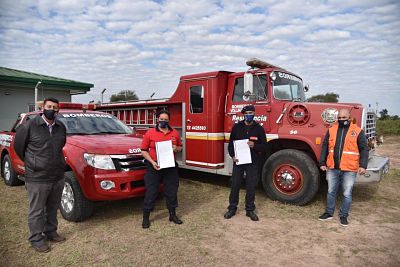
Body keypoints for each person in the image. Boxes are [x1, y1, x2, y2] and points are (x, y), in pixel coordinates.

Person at [14, 97, 67, 253]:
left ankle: (51, 232)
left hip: (56, 175)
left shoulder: (60, 127)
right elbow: (19, 147)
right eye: (49, 106)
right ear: (43, 108)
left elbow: (60, 146)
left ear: (58, 110)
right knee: (36, 210)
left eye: (55, 107)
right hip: (37, 177)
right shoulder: (29, 126)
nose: (52, 109)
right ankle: (37, 239)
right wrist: (34, 163)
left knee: (52, 207)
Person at [318, 108, 369, 226]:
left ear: (349, 117)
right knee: (331, 191)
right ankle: (329, 213)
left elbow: (364, 149)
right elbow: (325, 147)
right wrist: (322, 163)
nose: (341, 120)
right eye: (339, 118)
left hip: (349, 169)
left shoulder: (357, 131)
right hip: (332, 168)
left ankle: (343, 216)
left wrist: (363, 165)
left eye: (344, 118)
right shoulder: (331, 130)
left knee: (347, 193)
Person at [140, 110, 183, 228]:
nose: (163, 121)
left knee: (171, 190)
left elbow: (180, 147)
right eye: (161, 119)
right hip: (154, 166)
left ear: (169, 120)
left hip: (170, 166)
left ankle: (172, 214)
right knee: (152, 191)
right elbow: (143, 150)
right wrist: (152, 162)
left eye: (166, 119)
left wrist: (176, 148)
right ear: (157, 119)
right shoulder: (150, 133)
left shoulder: (174, 133)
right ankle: (146, 217)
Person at [224, 105, 267, 221]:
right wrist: (233, 156)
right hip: (238, 162)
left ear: (254, 114)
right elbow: (231, 145)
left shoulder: (259, 129)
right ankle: (232, 208)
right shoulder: (237, 127)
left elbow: (265, 147)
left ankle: (250, 210)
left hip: (252, 162)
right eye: (247, 113)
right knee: (235, 185)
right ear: (243, 114)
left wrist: (255, 145)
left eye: (251, 113)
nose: (249, 115)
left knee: (251, 186)